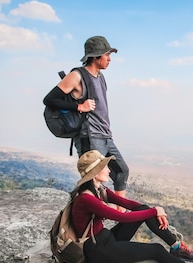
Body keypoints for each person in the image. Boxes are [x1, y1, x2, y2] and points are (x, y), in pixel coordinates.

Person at [71, 149, 193, 263]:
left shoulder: (98, 189)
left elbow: (128, 204)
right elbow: (122, 217)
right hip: (99, 252)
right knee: (156, 250)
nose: (109, 170)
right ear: (94, 171)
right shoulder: (87, 198)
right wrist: (155, 211)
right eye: (104, 166)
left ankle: (177, 247)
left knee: (143, 209)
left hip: (105, 239)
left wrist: (153, 209)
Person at [43, 35, 129, 202]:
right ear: (95, 56)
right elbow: (49, 99)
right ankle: (85, 219)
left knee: (121, 172)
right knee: (91, 181)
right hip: (88, 136)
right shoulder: (77, 75)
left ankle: (121, 216)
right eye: (107, 55)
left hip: (104, 135)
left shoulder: (101, 77)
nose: (109, 59)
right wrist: (78, 107)